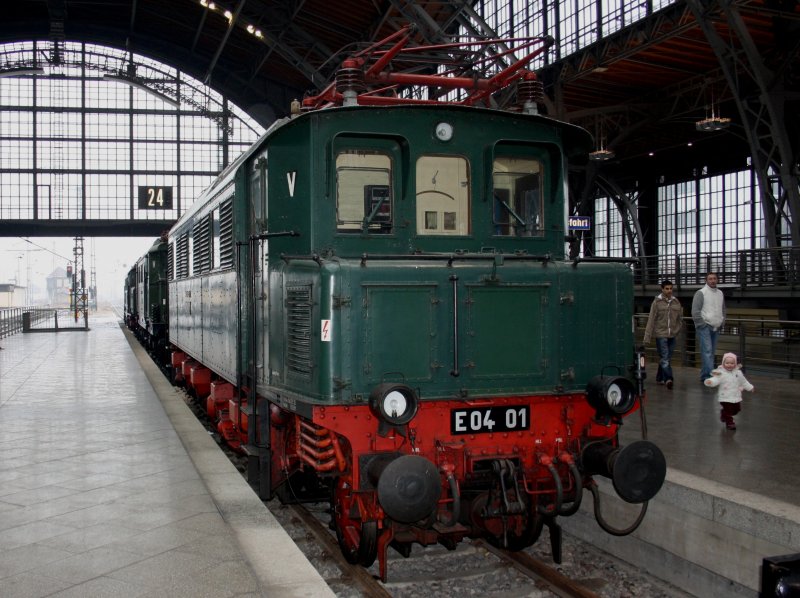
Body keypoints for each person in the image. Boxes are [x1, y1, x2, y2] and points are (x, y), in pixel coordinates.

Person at [643, 279, 683, 389]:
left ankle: (659, 378)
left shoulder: (676, 302)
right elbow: (651, 319)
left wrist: (677, 330)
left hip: (672, 334)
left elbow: (680, 319)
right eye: (667, 289)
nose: (669, 291)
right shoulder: (657, 302)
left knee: (666, 358)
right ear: (662, 289)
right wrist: (647, 336)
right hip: (661, 334)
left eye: (671, 288)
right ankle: (668, 379)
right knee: (665, 358)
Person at [703, 352, 754, 430]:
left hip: (735, 395)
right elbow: (715, 379)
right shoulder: (721, 373)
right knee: (728, 411)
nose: (729, 365)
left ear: (735, 363)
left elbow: (743, 381)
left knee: (737, 410)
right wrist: (710, 381)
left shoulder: (738, 373)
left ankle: (724, 414)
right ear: (723, 363)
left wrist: (750, 387)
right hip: (725, 397)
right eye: (727, 363)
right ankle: (730, 423)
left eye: (732, 363)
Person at [691, 272, 726, 383]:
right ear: (706, 280)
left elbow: (723, 309)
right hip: (705, 327)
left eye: (714, 278)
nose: (712, 280)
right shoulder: (701, 293)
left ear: (717, 280)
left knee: (711, 352)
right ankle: (710, 377)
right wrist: (702, 324)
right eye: (710, 279)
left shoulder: (720, 293)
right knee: (707, 351)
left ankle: (704, 375)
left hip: (716, 327)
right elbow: (695, 311)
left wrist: (722, 321)